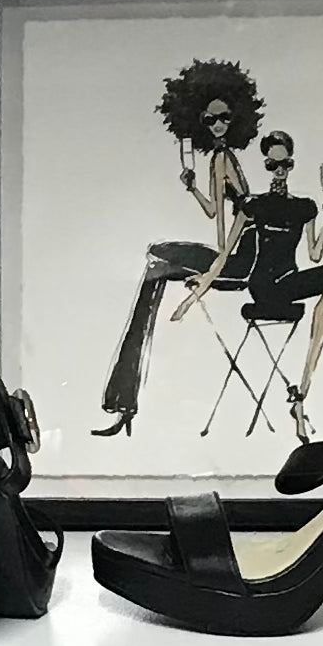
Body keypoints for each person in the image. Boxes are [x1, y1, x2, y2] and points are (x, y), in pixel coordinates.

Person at [92, 59, 263, 437]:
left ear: (236, 119)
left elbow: (244, 215)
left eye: (224, 118)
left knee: (156, 264)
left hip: (239, 261)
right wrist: (192, 187)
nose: (217, 125)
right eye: (209, 120)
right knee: (156, 257)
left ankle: (124, 397)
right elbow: (215, 211)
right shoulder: (218, 159)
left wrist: (211, 274)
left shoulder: (224, 158)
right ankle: (124, 397)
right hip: (230, 255)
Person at [172, 130, 323, 441]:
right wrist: (196, 294)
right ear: (266, 165)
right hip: (265, 287)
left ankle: (307, 392)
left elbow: (314, 254)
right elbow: (224, 254)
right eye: (273, 165)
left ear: (291, 165)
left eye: (285, 164)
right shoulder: (254, 206)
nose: (279, 170)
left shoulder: (305, 207)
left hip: (289, 281)